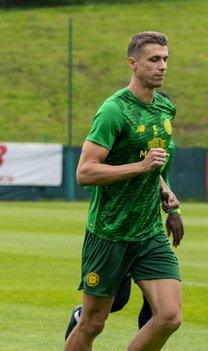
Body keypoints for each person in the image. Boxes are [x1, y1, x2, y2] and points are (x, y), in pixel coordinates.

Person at [65, 31, 182, 351]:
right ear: (133, 63)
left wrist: (167, 198)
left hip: (148, 232)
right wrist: (141, 168)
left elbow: (155, 162)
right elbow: (85, 173)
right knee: (92, 323)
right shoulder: (114, 110)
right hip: (109, 232)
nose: (162, 67)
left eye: (165, 60)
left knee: (170, 316)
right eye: (154, 60)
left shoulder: (165, 108)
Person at [64, 141, 184, 339]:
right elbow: (89, 174)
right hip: (115, 231)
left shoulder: (165, 137)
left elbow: (161, 175)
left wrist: (173, 210)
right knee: (118, 300)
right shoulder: (120, 131)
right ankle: (80, 317)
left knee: (160, 307)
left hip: (148, 230)